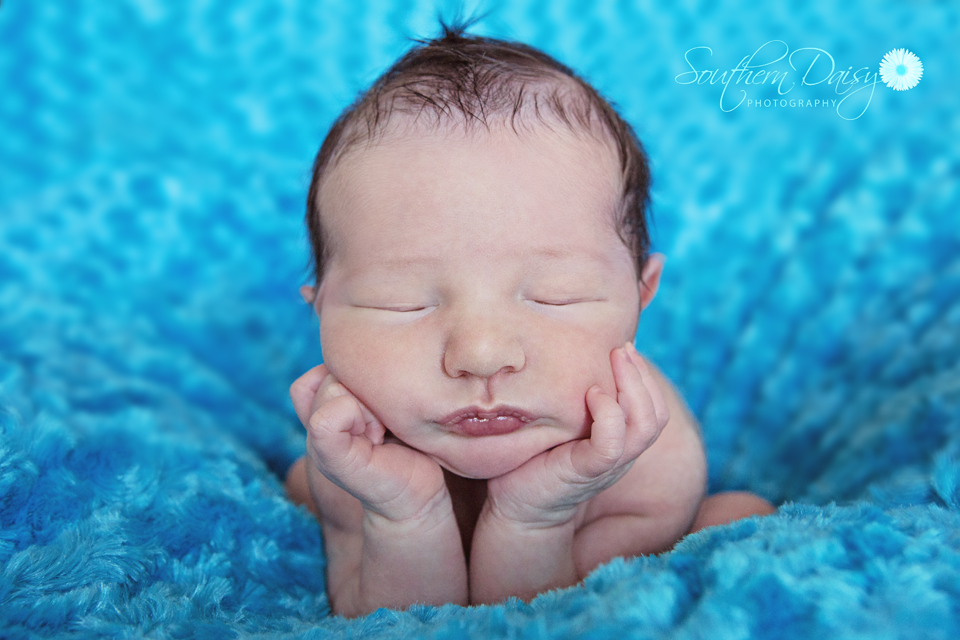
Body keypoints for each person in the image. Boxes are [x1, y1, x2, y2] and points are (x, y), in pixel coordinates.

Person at [284, 18, 775, 618]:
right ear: (320, 310)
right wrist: (401, 514)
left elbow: (547, 623)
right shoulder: (352, 460)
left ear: (641, 293)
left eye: (555, 296)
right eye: (401, 302)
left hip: (621, 521)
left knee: (738, 518)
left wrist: (539, 517)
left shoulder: (651, 466)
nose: (481, 353)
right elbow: (391, 626)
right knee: (302, 485)